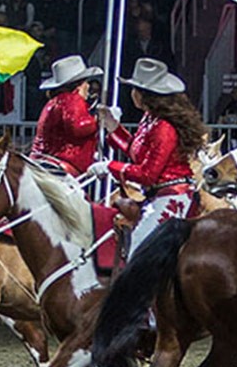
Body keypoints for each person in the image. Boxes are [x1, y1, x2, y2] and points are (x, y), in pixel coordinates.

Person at [88, 58, 209, 256]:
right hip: (156, 194)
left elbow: (147, 174)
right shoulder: (149, 119)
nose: (132, 93)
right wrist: (113, 127)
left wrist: (110, 166)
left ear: (145, 95)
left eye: (134, 89)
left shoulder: (164, 128)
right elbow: (136, 151)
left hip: (172, 194)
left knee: (139, 247)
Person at [30, 55, 103, 176]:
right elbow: (78, 127)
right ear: (78, 85)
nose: (88, 86)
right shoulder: (72, 99)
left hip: (43, 160)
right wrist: (98, 121)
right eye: (86, 82)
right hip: (61, 166)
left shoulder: (54, 102)